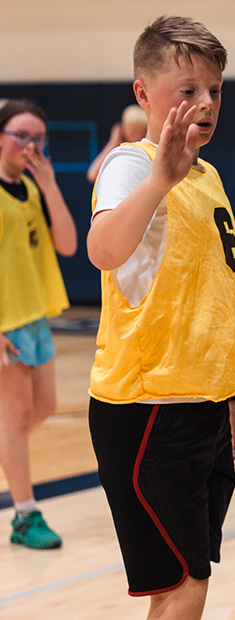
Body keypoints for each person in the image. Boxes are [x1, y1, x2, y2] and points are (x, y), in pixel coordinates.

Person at [86, 15, 235, 619]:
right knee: (186, 584)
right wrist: (160, 178)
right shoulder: (132, 165)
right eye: (187, 90)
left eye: (214, 90)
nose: (205, 103)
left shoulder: (208, 175)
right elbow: (103, 251)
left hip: (204, 406)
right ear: (143, 94)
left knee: (181, 582)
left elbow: (213, 300)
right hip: (148, 409)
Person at [0, 99, 77, 550]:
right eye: (21, 135)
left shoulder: (31, 186)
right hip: (6, 323)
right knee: (13, 421)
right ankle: (25, 514)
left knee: (42, 408)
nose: (30, 145)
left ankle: (10, 459)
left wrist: (49, 185)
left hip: (36, 316)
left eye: (38, 138)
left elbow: (67, 243)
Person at [86, 104, 148, 183]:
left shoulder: (146, 152)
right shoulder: (118, 152)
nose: (137, 138)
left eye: (142, 133)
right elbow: (92, 175)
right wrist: (112, 144)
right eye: (133, 133)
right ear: (122, 130)